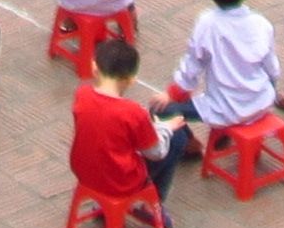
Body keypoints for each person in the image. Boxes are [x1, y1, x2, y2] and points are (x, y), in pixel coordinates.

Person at [164, 0, 284, 146]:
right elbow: (273, 71)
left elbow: (191, 69)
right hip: (261, 102)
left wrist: (171, 94)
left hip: (223, 109)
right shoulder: (262, 24)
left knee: (162, 112)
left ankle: (190, 146)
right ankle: (228, 138)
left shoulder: (207, 23)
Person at [74, 30, 198, 205]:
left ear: (94, 67)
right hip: (122, 183)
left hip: (85, 174)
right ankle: (155, 204)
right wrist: (166, 128)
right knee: (177, 139)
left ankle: (101, 204)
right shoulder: (132, 112)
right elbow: (157, 152)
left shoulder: (82, 95)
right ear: (131, 80)